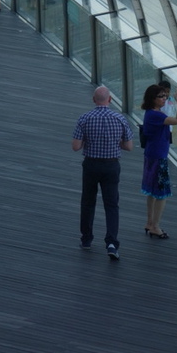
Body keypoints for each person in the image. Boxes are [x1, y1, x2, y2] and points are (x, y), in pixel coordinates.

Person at [72, 85, 133, 260]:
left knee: (88, 202)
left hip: (91, 165)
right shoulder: (119, 119)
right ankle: (112, 243)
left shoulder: (85, 118)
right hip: (111, 166)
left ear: (94, 100)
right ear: (110, 100)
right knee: (112, 205)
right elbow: (128, 146)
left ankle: (86, 239)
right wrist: (116, 143)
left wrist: (87, 140)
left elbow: (76, 146)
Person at [140, 84, 177, 238]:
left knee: (151, 191)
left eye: (165, 96)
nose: (164, 99)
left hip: (152, 154)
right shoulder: (157, 116)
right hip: (159, 156)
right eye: (161, 96)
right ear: (153, 98)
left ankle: (150, 222)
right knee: (161, 193)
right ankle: (155, 226)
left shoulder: (151, 113)